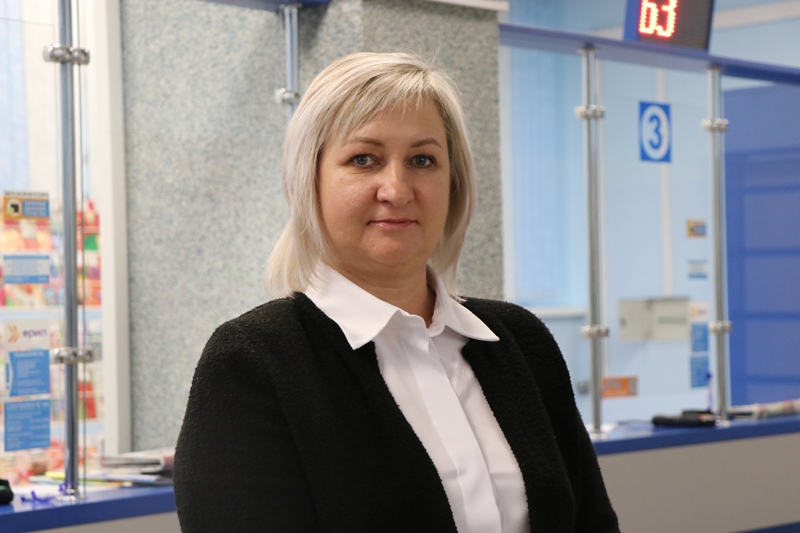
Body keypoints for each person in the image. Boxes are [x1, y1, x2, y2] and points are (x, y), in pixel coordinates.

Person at [173, 52, 620, 533]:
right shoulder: (252, 362)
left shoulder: (521, 342)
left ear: (454, 182)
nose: (397, 189)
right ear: (308, 179)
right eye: (363, 159)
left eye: (422, 160)